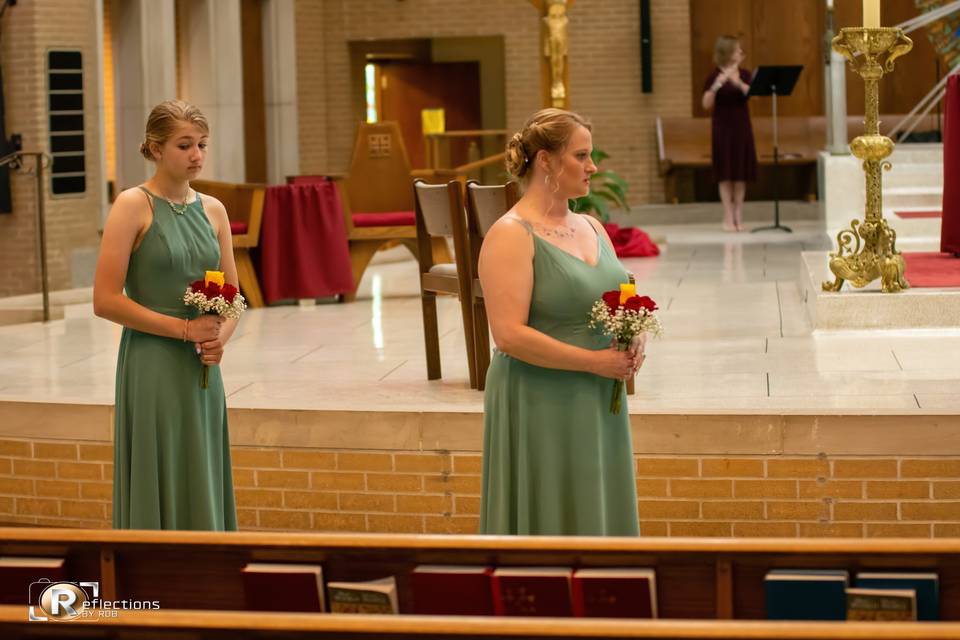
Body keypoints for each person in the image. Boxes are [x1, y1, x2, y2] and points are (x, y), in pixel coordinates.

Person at [478, 108, 646, 536]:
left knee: (600, 506)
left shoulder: (591, 225)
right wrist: (593, 361)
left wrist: (636, 328)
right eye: (581, 155)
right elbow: (509, 335)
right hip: (541, 396)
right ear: (546, 161)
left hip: (597, 396)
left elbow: (623, 288)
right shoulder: (511, 234)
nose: (593, 166)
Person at [93, 100, 238, 530]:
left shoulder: (214, 210)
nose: (197, 155)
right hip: (152, 362)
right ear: (155, 149)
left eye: (202, 145)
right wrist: (184, 329)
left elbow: (231, 294)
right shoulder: (131, 205)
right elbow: (104, 299)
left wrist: (219, 338)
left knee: (201, 468)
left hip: (201, 368)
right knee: (160, 465)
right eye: (184, 145)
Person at [702, 35, 757, 232]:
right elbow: (706, 104)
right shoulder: (713, 75)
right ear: (727, 52)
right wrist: (718, 84)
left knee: (739, 174)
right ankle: (727, 216)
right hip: (722, 128)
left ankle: (738, 215)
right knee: (725, 174)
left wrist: (737, 82)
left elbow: (752, 95)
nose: (740, 52)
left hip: (741, 127)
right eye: (737, 49)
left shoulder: (745, 74)